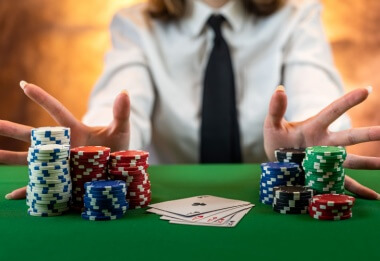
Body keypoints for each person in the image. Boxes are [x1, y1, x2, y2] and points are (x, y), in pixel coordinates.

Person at [1, 0, 380, 200]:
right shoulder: (135, 24)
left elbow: (314, 88)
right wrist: (100, 150)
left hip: (270, 199)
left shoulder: (299, 15)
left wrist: (311, 151)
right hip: (164, 200)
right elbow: (122, 96)